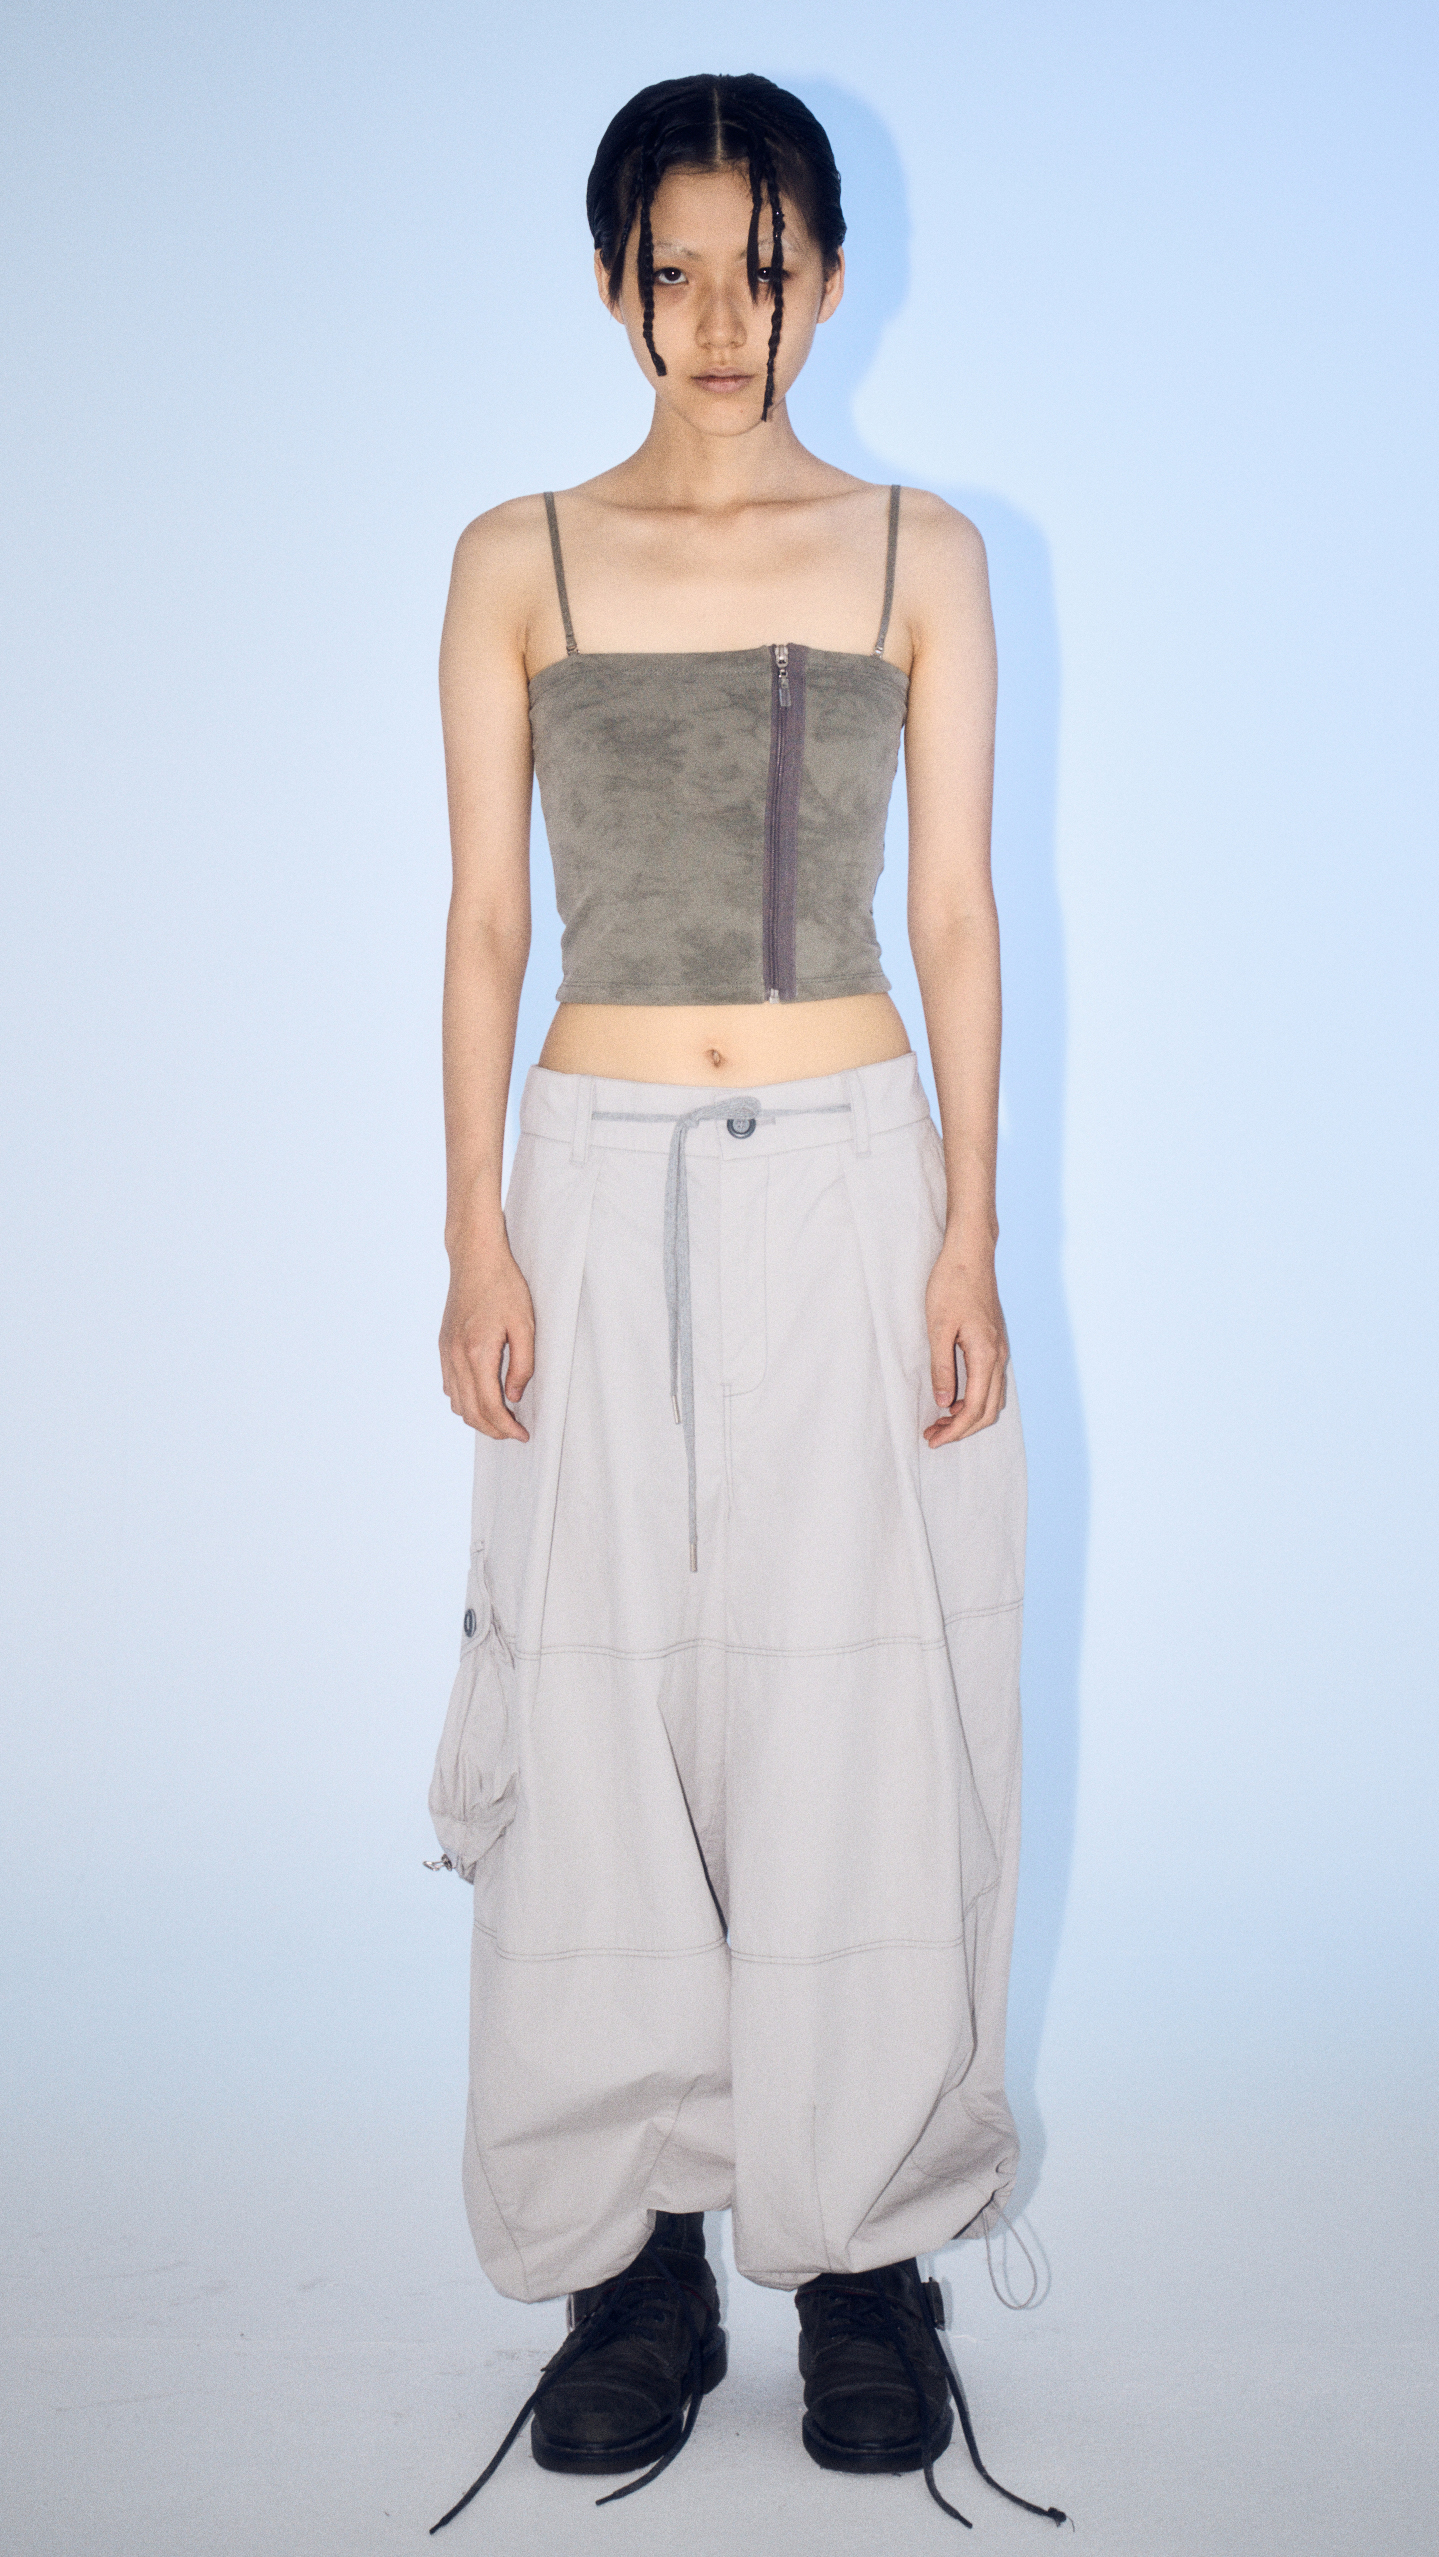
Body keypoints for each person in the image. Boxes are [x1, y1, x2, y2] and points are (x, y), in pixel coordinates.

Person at [426, 71, 1064, 2534]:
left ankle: (864, 2254)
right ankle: (634, 2267)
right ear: (615, 282)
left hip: (849, 1166)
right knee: (597, 1699)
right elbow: (488, 918)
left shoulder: (920, 549)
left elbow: (962, 913)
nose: (720, 314)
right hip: (588, 1177)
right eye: (675, 267)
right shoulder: (519, 557)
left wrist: (969, 1227)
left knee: (858, 1700)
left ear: (828, 278)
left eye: (763, 265)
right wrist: (474, 1232)